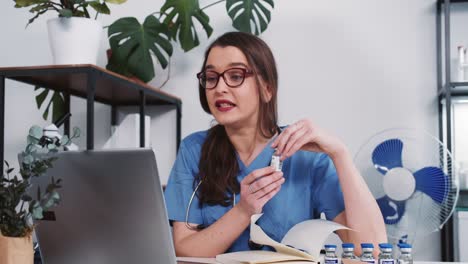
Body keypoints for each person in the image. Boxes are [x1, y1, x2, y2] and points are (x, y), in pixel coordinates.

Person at [164, 31, 387, 257]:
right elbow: (185, 251)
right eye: (211, 78)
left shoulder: (307, 155)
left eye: (235, 75)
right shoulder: (194, 150)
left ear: (267, 89)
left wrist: (340, 153)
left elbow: (372, 247)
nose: (220, 88)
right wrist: (244, 211)